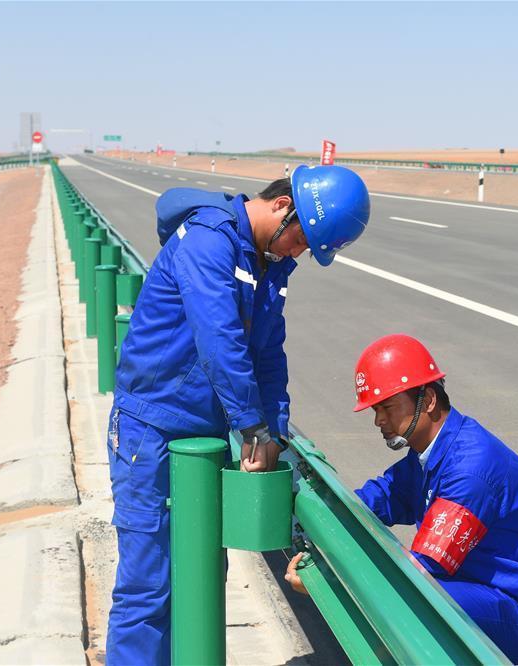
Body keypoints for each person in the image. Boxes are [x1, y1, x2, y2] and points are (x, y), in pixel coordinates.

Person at [106, 165, 371, 665]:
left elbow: (268, 354)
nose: (299, 254)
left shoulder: (267, 264)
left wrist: (276, 430)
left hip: (202, 441)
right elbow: (219, 338)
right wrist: (251, 425)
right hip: (151, 429)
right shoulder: (210, 241)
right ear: (281, 206)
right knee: (148, 586)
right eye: (302, 241)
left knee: (200, 577)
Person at [285, 334, 518, 664]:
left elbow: (419, 575)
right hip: (475, 584)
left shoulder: (470, 470)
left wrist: (329, 582)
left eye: (387, 407)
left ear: (429, 400)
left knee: (407, 607)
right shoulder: (432, 452)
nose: (379, 420)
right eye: (376, 410)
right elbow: (379, 498)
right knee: (400, 602)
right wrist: (323, 521)